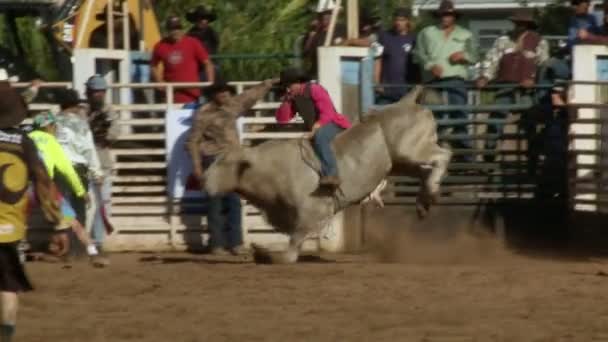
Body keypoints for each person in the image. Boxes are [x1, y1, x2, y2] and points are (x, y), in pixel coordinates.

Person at [186, 78, 277, 255]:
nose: (225, 95)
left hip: (233, 159)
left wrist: (269, 83)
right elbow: (193, 141)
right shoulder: (203, 113)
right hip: (213, 159)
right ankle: (217, 244)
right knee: (215, 203)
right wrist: (197, 166)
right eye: (221, 92)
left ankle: (235, 243)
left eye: (227, 92)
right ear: (214, 95)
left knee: (234, 202)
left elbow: (250, 95)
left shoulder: (233, 106)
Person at [0, 81, 61, 342]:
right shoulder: (24, 142)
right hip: (8, 229)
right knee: (7, 288)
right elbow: (43, 180)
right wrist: (58, 222)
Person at [28, 112, 109, 267]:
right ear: (49, 126)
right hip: (46, 189)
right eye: (54, 126)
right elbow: (66, 169)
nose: (56, 129)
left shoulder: (26, 138)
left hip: (23, 188)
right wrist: (80, 191)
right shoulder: (51, 141)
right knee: (74, 222)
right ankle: (92, 252)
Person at [475, 13, 549, 158]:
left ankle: (532, 161)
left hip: (527, 91)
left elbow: (543, 66)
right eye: (518, 23)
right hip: (505, 88)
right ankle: (489, 158)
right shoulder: (502, 41)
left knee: (530, 124)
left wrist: (534, 81)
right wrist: (485, 76)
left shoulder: (539, 42)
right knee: (494, 122)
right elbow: (491, 60)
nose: (520, 26)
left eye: (523, 24)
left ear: (529, 26)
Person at [414, 0, 478, 156]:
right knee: (433, 117)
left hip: (456, 79)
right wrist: (430, 65)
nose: (445, 17)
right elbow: (418, 54)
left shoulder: (466, 34)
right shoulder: (426, 32)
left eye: (449, 14)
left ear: (454, 16)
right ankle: (433, 154)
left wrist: (464, 55)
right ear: (438, 15)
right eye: (443, 14)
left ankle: (466, 156)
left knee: (460, 115)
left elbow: (475, 56)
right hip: (433, 80)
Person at [275, 68, 352, 188]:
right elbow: (283, 120)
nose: (288, 88)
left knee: (320, 137)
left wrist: (314, 129)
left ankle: (331, 174)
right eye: (286, 86)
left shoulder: (315, 89)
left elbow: (328, 113)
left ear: (298, 82)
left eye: (289, 85)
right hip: (317, 127)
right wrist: (286, 103)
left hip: (334, 123)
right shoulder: (293, 97)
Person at [54, 89, 103, 231]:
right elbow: (88, 149)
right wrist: (97, 172)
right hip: (78, 169)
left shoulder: (52, 123)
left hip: (58, 170)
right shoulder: (81, 124)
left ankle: (66, 240)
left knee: (63, 207)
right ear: (75, 105)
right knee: (79, 207)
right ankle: (79, 245)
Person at [84, 75, 118, 250]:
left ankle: (97, 241)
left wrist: (103, 134)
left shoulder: (109, 111)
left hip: (102, 161)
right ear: (88, 92)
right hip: (82, 163)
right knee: (83, 203)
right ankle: (81, 240)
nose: (98, 94)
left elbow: (115, 133)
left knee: (101, 203)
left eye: (101, 91)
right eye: (95, 91)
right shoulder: (81, 110)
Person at [151, 15, 215, 104]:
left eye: (178, 28)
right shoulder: (160, 46)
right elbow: (153, 65)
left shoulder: (193, 43)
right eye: (172, 29)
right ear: (168, 30)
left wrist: (210, 82)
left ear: (182, 29)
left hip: (191, 96)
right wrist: (159, 81)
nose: (175, 31)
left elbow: (207, 63)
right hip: (170, 96)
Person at [374, 7, 419, 104]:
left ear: (408, 21)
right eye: (397, 19)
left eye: (402, 20)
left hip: (407, 90)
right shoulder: (384, 36)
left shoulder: (415, 38)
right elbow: (378, 60)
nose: (398, 22)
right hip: (387, 89)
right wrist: (377, 83)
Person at [302, 7, 346, 77]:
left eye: (329, 13)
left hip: (337, 71)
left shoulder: (342, 29)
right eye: (323, 14)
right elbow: (306, 52)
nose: (326, 16)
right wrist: (312, 36)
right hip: (317, 72)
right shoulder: (314, 33)